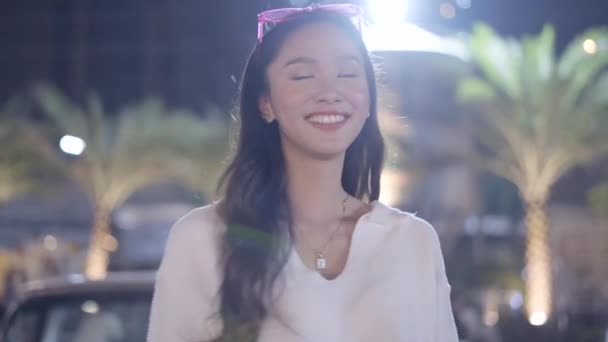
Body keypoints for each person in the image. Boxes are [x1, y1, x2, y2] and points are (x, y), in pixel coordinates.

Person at [147, 4, 458, 341]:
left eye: (347, 74)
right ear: (265, 103)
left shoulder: (412, 242)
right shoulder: (204, 240)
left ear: (368, 101)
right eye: (302, 75)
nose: (329, 92)